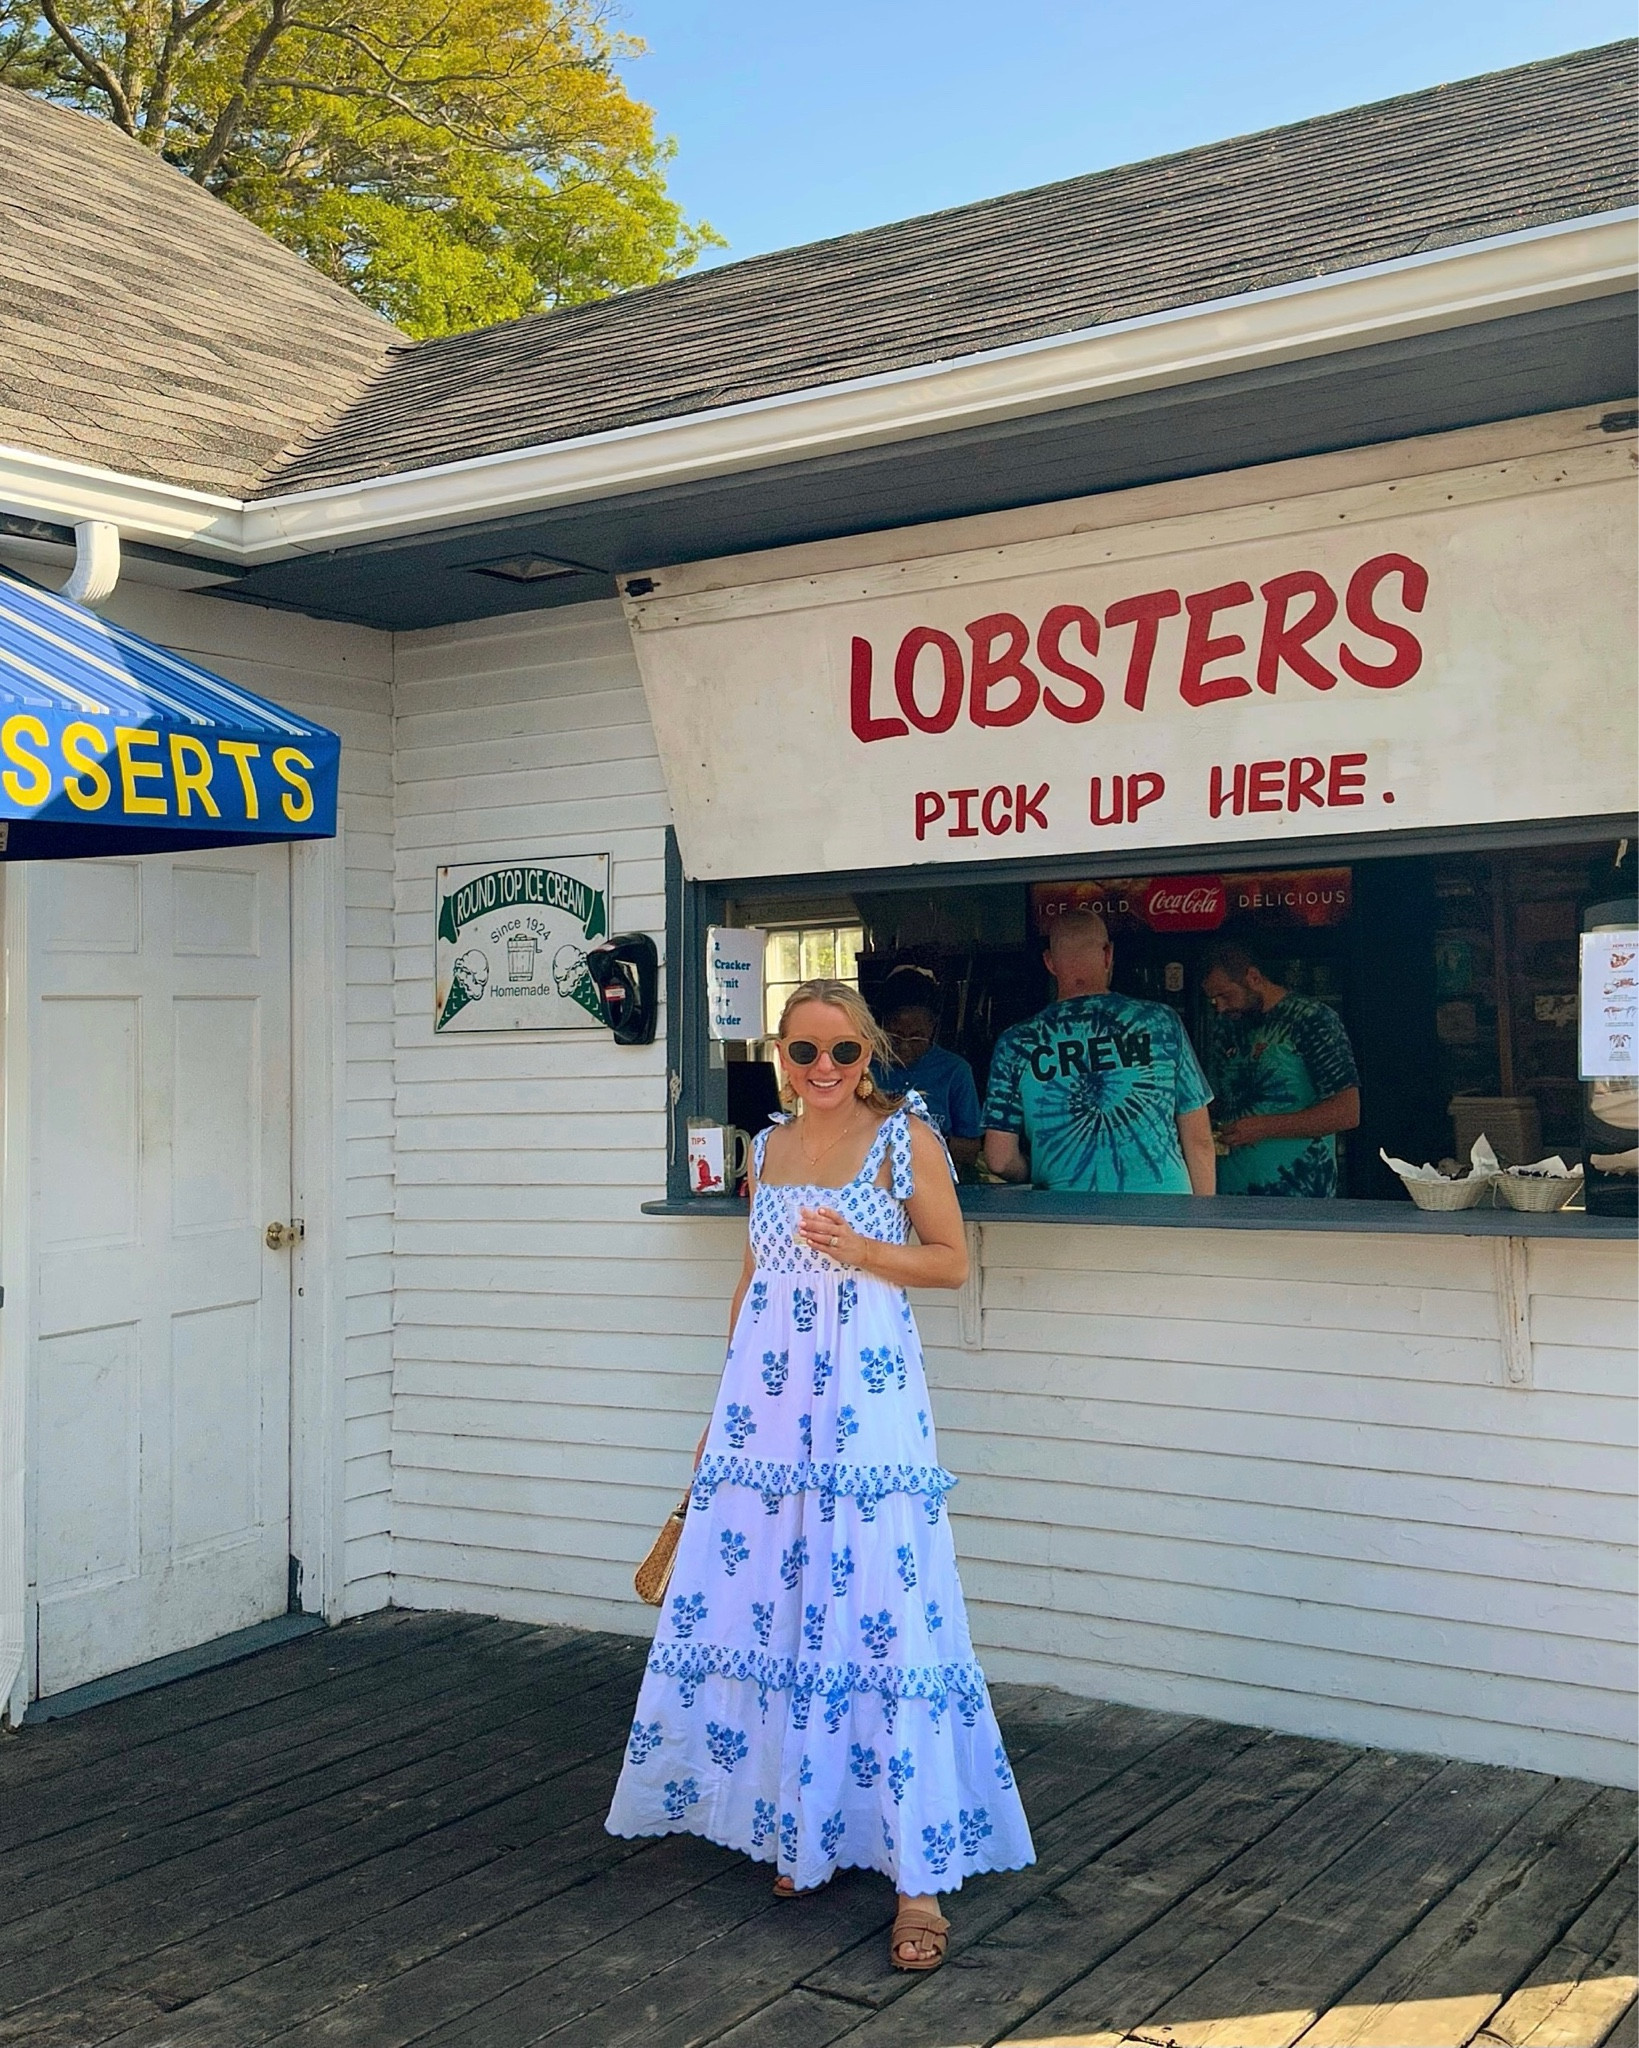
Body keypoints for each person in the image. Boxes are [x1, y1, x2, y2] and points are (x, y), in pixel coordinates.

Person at [606, 978, 1034, 1972]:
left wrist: (862, 1246)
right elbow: (752, 1279)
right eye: (804, 1053)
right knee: (783, 1601)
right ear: (780, 1056)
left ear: (870, 1053)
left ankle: (916, 1876)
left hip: (867, 1406)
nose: (825, 1070)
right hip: (768, 1409)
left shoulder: (904, 1139)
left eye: (843, 1052)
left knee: (881, 1606)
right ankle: (808, 1828)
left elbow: (951, 1261)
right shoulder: (768, 1148)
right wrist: (720, 1417)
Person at [982, 909, 1216, 1195]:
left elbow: (999, 1158)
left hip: (1067, 1215)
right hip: (1164, 1212)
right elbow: (1200, 1141)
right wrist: (1203, 1224)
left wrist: (1039, 1168)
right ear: (1108, 955)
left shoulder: (1017, 1043)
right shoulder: (1161, 1023)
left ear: (1050, 963)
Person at [1200, 943, 1361, 1198]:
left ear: (1253, 977)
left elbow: (1347, 1112)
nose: (1219, 1007)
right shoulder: (1224, 1027)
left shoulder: (1312, 1019)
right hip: (1229, 1190)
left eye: (1226, 996)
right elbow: (1217, 1099)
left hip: (1301, 1191)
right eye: (1213, 1000)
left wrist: (1263, 1127)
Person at [872, 967, 983, 1171]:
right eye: (895, 1036)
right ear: (881, 1025)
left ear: (933, 1027)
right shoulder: (864, 1068)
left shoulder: (955, 1072)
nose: (905, 1046)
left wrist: (924, 1139)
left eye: (916, 1036)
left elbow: (971, 1149)